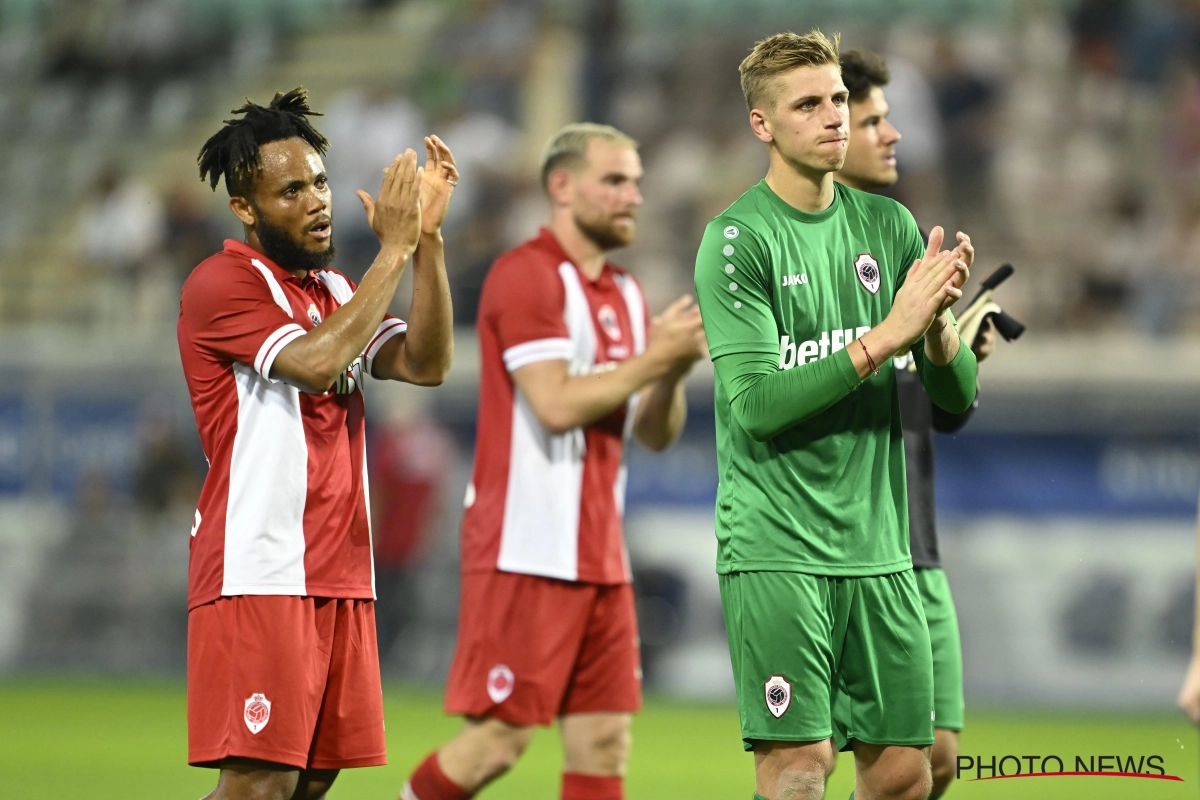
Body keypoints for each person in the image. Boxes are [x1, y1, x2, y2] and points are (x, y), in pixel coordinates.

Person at [693, 31, 978, 800]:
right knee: (798, 767)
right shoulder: (735, 241)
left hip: (881, 548)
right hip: (779, 544)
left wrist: (938, 326)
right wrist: (885, 337)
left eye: (840, 100)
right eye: (809, 104)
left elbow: (956, 397)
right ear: (763, 125)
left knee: (904, 774)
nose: (835, 118)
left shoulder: (888, 227)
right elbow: (754, 407)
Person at [401, 122, 707, 800]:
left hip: (599, 555)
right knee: (496, 745)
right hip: (525, 549)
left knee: (603, 743)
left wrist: (672, 373)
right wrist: (654, 357)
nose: (633, 196)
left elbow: (651, 433)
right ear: (562, 186)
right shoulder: (525, 277)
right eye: (616, 180)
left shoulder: (625, 293)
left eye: (637, 183)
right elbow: (555, 405)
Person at [178, 87, 457, 800]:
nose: (316, 201)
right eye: (291, 189)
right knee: (260, 785)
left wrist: (425, 245)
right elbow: (313, 363)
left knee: (308, 784)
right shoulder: (222, 284)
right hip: (260, 567)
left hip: (341, 573)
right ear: (245, 207)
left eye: (321, 182)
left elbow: (426, 364)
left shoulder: (337, 289)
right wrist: (392, 252)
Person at [833, 49, 997, 799]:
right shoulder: (805, 256)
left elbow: (938, 414)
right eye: (873, 122)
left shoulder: (902, 244)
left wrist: (950, 352)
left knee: (935, 759)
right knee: (812, 761)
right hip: (842, 548)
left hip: (916, 544)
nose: (894, 135)